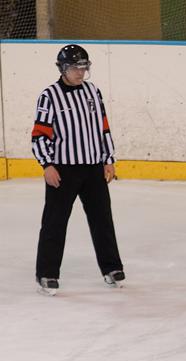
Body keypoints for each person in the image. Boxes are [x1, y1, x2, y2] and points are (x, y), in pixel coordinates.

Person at [31, 44, 124, 296]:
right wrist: (47, 164)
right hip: (63, 169)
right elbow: (39, 135)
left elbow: (103, 128)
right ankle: (47, 274)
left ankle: (111, 268)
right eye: (74, 67)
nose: (80, 72)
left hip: (94, 167)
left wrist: (108, 159)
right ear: (62, 68)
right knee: (54, 222)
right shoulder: (49, 96)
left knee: (102, 219)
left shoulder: (93, 92)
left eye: (84, 67)